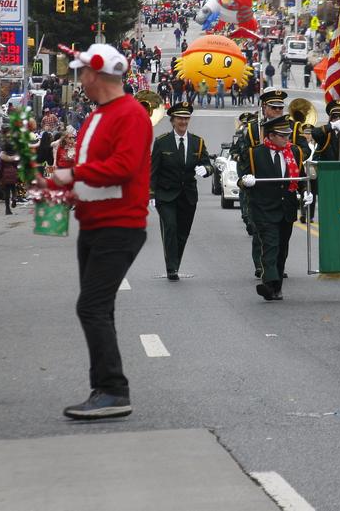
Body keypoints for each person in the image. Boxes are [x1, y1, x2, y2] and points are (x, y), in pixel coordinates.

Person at [36, 43, 152, 420]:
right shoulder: (97, 115)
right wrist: (59, 192)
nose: (79, 79)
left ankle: (113, 390)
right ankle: (105, 388)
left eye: (82, 72)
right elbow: (97, 172)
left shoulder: (130, 114)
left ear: (96, 74)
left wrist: (73, 175)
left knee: (91, 306)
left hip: (119, 226)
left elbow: (124, 166)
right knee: (99, 308)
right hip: (96, 223)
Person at [237, 115, 311, 301]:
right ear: (270, 135)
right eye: (282, 135)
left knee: (282, 249)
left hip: (286, 208)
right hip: (263, 208)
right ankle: (268, 283)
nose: (286, 138)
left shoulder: (294, 152)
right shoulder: (254, 153)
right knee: (270, 245)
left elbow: (301, 177)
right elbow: (241, 177)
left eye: (287, 134)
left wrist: (306, 192)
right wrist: (246, 181)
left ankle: (276, 287)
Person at [150, 102, 213, 281]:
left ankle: (175, 263)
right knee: (170, 227)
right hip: (166, 194)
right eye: (180, 118)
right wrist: (151, 194)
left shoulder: (197, 142)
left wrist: (206, 170)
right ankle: (171, 268)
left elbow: (208, 164)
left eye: (186, 118)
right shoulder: (162, 141)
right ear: (172, 121)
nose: (183, 121)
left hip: (188, 195)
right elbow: (153, 170)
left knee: (182, 232)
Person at [0, 142, 20, 216]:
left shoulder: (3, 156)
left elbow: (0, 167)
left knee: (6, 192)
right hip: (13, 173)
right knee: (13, 188)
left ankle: (7, 209)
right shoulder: (15, 156)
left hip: (5, 174)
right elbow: (17, 165)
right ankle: (14, 197)